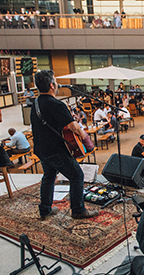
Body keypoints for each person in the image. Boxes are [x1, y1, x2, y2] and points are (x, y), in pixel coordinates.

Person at [30, 70, 97, 220]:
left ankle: (45, 209)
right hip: (55, 149)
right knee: (77, 175)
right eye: (55, 80)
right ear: (52, 85)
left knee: (49, 176)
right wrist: (84, 135)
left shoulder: (36, 103)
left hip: (41, 149)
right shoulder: (56, 104)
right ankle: (78, 210)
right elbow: (73, 127)